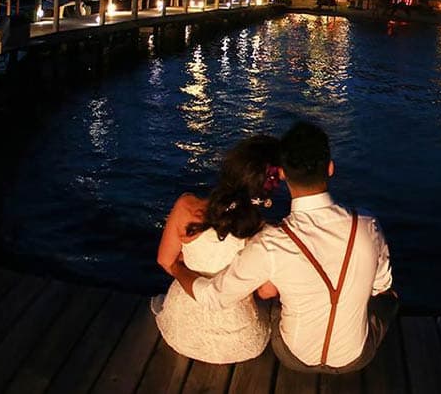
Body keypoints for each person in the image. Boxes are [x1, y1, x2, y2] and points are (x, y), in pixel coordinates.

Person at [171, 121, 398, 373]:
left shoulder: (270, 241)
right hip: (355, 358)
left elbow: (214, 297)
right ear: (331, 168)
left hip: (294, 356)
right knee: (387, 298)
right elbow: (381, 285)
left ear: (282, 174)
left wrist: (177, 268)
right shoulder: (368, 224)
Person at [152, 135, 283, 364]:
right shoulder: (261, 232)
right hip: (238, 339)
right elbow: (267, 292)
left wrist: (181, 264)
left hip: (183, 332)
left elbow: (165, 261)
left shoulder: (187, 207)